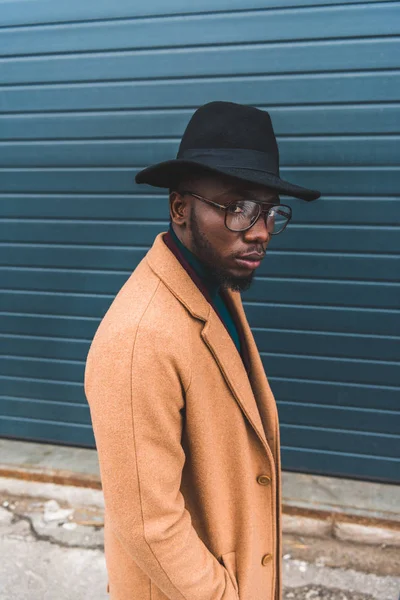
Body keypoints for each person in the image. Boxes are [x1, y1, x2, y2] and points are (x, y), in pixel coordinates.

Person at [84, 101, 321, 600]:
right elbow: (151, 524)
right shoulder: (139, 336)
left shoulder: (214, 290)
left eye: (269, 210)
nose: (258, 231)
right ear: (179, 208)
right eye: (237, 207)